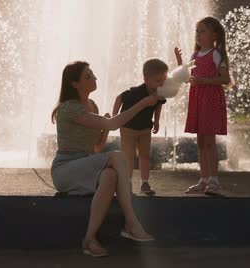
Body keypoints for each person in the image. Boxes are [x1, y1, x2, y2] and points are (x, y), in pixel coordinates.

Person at [51, 61, 158, 257]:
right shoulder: (68, 108)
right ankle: (131, 221)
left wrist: (105, 129)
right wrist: (143, 103)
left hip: (85, 164)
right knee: (116, 155)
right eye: (88, 76)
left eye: (92, 73)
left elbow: (96, 148)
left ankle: (89, 239)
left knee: (109, 176)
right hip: (65, 169)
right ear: (75, 84)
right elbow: (114, 123)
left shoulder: (92, 106)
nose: (95, 78)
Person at [112, 58, 178, 195]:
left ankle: (145, 183)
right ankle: (127, 183)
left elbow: (159, 105)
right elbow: (119, 98)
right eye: (158, 80)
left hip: (145, 129)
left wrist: (157, 121)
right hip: (128, 128)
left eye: (163, 80)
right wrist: (115, 117)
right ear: (146, 79)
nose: (161, 83)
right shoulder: (135, 92)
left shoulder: (159, 93)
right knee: (128, 157)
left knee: (144, 156)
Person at [183, 16, 231, 196]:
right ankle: (203, 179)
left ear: (214, 34)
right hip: (197, 100)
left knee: (209, 142)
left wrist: (204, 81)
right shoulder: (194, 55)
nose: (198, 34)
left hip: (210, 100)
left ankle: (214, 180)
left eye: (203, 31)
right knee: (201, 142)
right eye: (197, 31)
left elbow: (225, 79)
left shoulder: (215, 54)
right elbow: (190, 76)